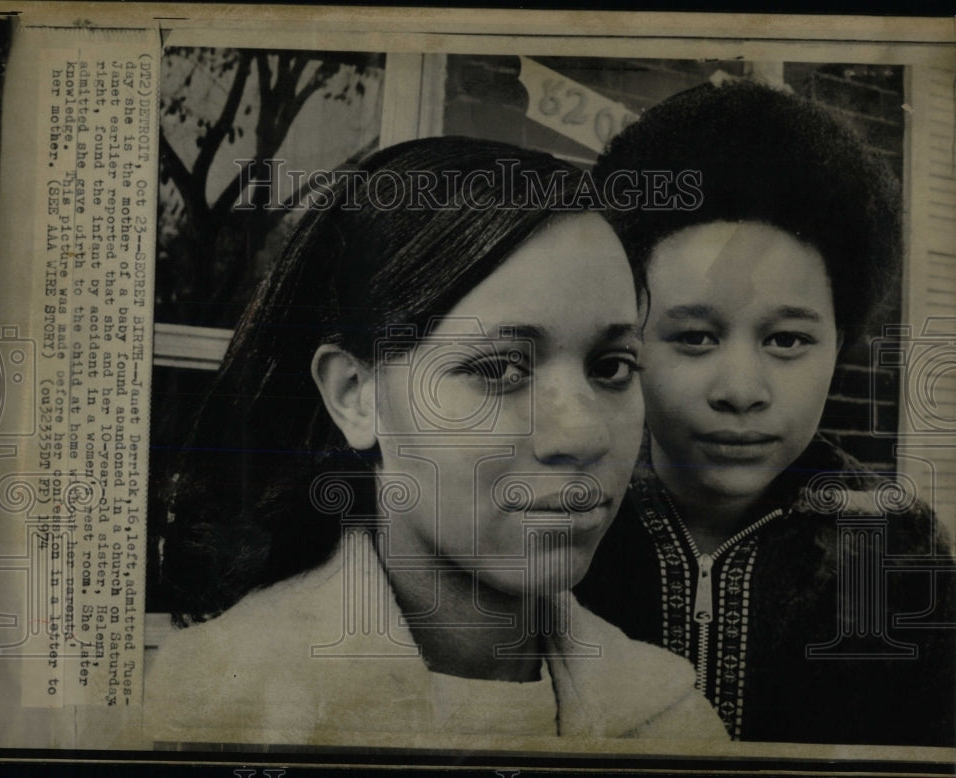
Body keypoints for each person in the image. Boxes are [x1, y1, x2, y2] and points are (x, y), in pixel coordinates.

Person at [143, 137, 728, 747]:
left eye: (611, 367)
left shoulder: (670, 721)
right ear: (355, 395)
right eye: (501, 369)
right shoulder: (225, 708)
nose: (582, 434)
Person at [577, 79, 956, 746]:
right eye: (694, 337)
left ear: (841, 345)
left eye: (788, 340)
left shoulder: (895, 550)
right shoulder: (560, 521)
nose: (742, 389)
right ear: (628, 340)